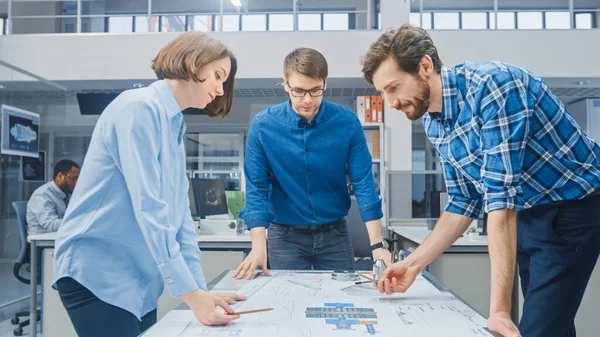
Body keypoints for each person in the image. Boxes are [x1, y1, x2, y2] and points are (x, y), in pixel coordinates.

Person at [361, 24, 600, 337]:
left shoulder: (494, 87)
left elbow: (501, 200)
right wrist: (413, 265)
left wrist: (499, 310)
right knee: (552, 320)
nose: (390, 102)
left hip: (573, 204)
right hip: (529, 210)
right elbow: (464, 201)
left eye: (393, 87)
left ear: (424, 66)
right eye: (383, 92)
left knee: (540, 328)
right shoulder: (435, 125)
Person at [52, 32, 245, 337]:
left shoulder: (173, 125)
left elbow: (179, 216)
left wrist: (199, 290)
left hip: (137, 279)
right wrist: (191, 295)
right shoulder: (138, 108)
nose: (221, 89)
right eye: (218, 76)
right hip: (97, 273)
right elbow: (149, 207)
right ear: (192, 62)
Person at [233, 48, 391, 280]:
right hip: (284, 237)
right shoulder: (263, 126)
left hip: (335, 235)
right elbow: (257, 187)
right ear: (285, 84)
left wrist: (378, 246)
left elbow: (363, 183)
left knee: (343, 302)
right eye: (298, 91)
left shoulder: (347, 123)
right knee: (286, 305)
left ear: (325, 83)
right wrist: (258, 246)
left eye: (315, 90)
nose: (307, 100)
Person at [26, 159, 80, 235]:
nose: (76, 183)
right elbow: (51, 225)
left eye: (78, 179)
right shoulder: (42, 195)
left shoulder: (65, 194)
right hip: (40, 243)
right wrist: (79, 222)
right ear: (60, 176)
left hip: (58, 238)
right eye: (74, 178)